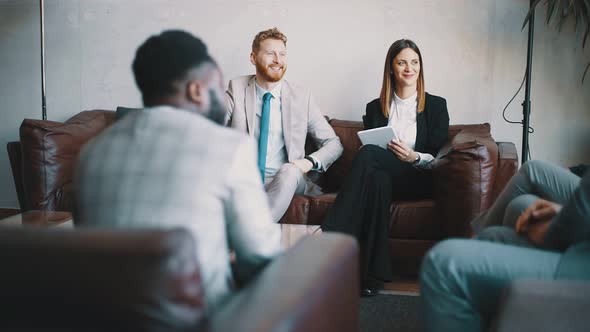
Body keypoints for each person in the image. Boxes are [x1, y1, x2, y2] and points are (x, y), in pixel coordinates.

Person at [73, 30, 281, 311]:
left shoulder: (91, 152)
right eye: (219, 87)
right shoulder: (228, 146)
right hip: (202, 318)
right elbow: (260, 256)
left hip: (106, 316)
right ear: (196, 90)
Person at [321, 39, 450, 296]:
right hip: (385, 176)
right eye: (402, 62)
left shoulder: (436, 105)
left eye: (414, 62)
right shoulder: (375, 107)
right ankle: (372, 278)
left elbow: (439, 157)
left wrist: (414, 156)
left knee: (369, 155)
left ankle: (330, 234)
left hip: (417, 177)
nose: (409, 68)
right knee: (377, 179)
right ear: (391, 68)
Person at [420, 160, 590, 331]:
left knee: (444, 264)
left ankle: (470, 252)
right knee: (505, 222)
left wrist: (552, 231)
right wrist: (562, 212)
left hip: (582, 265)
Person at [225, 27, 343, 222]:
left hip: (286, 180)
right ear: (253, 58)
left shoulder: (301, 96)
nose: (278, 60)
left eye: (282, 54)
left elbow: (334, 144)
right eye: (270, 53)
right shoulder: (236, 89)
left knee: (290, 170)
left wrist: (308, 162)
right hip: (245, 179)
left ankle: (256, 233)